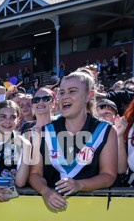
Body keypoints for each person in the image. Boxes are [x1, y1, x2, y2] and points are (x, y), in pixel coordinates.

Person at [29, 68, 118, 210]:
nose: (64, 97)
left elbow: (108, 175)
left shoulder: (106, 130)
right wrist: (46, 191)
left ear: (89, 95)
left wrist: (79, 185)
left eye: (72, 91)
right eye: (62, 92)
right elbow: (35, 174)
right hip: (51, 210)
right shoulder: (46, 131)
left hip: (91, 209)